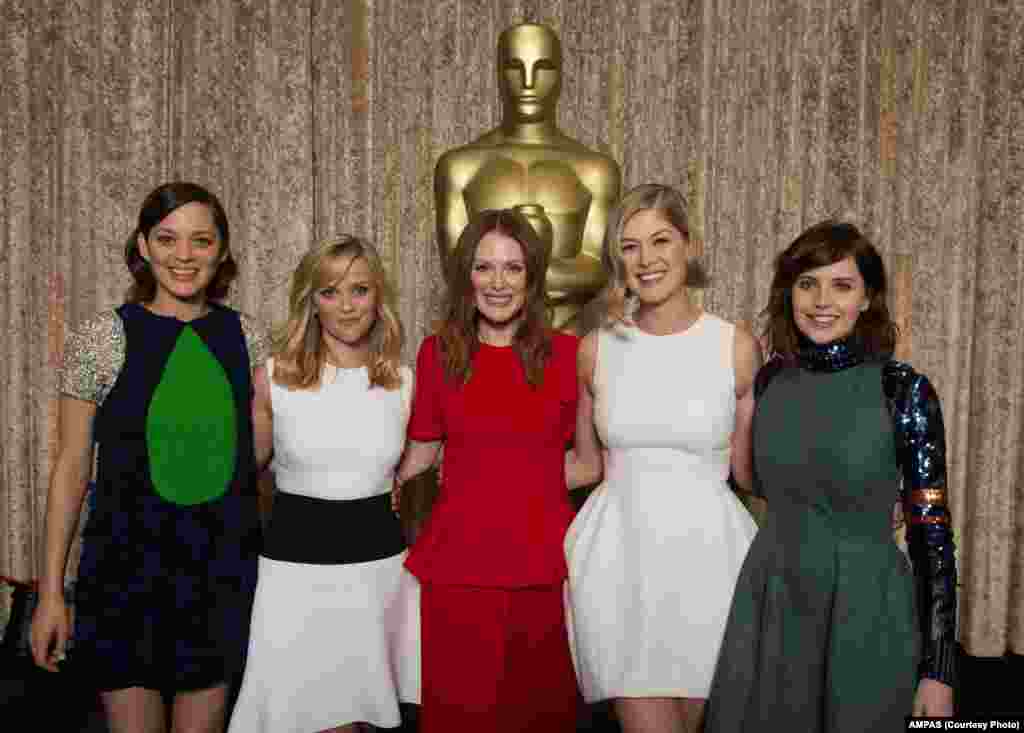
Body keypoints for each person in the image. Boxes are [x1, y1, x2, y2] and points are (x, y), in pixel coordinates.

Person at [30, 181, 268, 732]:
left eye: (201, 241)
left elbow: (258, 455)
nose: (183, 256)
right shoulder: (102, 337)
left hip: (217, 578)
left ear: (222, 250)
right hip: (123, 580)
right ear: (142, 245)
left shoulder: (249, 340)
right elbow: (70, 468)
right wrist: (50, 596)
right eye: (167, 239)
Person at [702, 220, 957, 731]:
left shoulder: (903, 389)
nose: (822, 301)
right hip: (772, 601)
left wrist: (939, 671)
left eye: (842, 285)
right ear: (788, 292)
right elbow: (751, 481)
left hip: (866, 610)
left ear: (867, 299)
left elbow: (932, 535)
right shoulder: (771, 378)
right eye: (807, 283)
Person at [563, 184, 761, 733]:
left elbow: (750, 472)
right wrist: (482, 478)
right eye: (629, 247)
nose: (646, 260)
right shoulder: (596, 348)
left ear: (689, 246)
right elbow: (584, 465)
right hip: (618, 567)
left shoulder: (735, 346)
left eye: (661, 241)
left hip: (712, 567)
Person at [393, 208, 581, 732]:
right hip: (459, 566)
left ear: (533, 277)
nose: (498, 283)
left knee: (543, 718)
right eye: (484, 268)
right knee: (460, 715)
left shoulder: (570, 356)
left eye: (513, 268)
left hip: (545, 565)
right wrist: (357, 484)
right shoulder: (438, 355)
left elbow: (592, 460)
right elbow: (423, 452)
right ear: (465, 276)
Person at [228, 235, 418, 733]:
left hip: (379, 574)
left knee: (369, 719)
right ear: (310, 301)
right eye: (329, 292)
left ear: (379, 297)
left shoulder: (405, 381)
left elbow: (441, 459)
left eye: (359, 290)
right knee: (302, 719)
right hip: (296, 577)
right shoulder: (273, 379)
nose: (346, 306)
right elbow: (234, 472)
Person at [434, 22, 621, 332]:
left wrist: (505, 271)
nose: (529, 82)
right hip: (482, 352)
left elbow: (598, 273)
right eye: (514, 68)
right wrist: (538, 266)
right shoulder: (460, 166)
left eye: (543, 68)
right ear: (498, 75)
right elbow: (457, 273)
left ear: (560, 76)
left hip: (567, 351)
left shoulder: (594, 169)